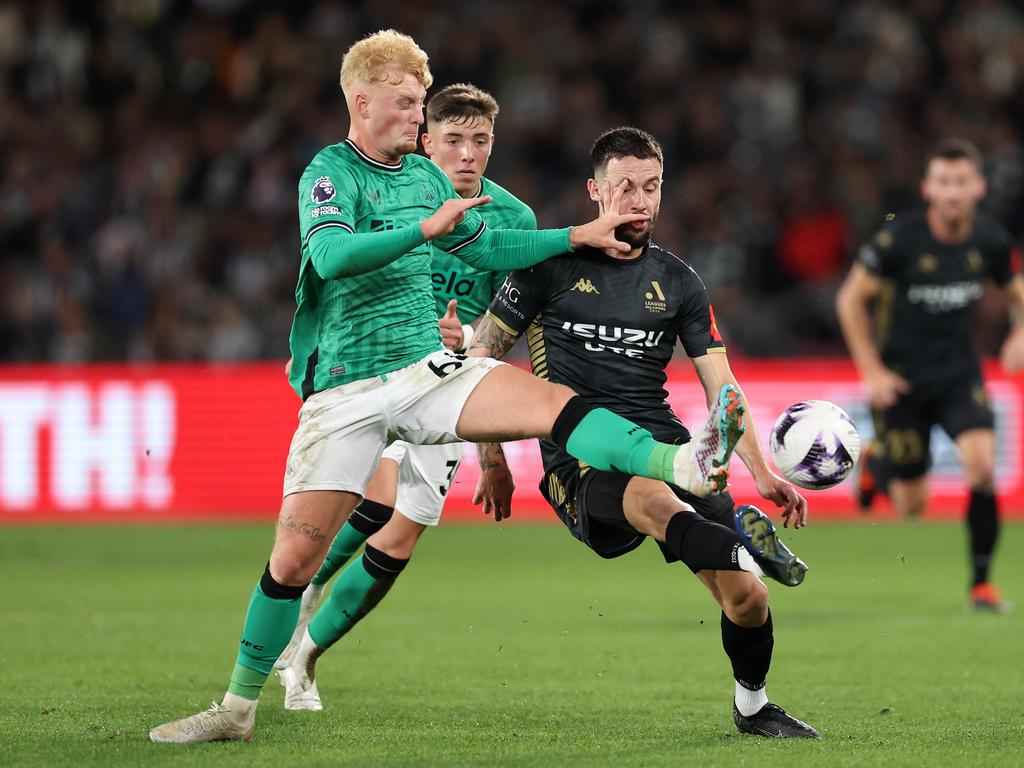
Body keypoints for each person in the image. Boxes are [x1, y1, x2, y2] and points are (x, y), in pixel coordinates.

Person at [148, 31, 743, 744]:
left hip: (422, 370)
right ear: (361, 101)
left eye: (420, 103)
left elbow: (487, 248)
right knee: (293, 561)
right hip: (345, 389)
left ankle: (685, 462)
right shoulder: (330, 175)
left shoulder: (426, 179)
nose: (415, 117)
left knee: (550, 406)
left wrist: (574, 237)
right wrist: (421, 230)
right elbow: (333, 256)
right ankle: (237, 709)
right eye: (406, 104)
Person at [473, 127, 818, 738]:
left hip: (664, 446)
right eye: (624, 186)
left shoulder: (680, 282)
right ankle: (743, 546)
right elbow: (481, 361)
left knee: (748, 601)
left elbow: (723, 390)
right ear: (596, 191)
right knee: (656, 500)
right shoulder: (546, 266)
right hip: (577, 455)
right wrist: (491, 460)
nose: (638, 199)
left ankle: (752, 704)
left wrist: (762, 473)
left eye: (650, 187)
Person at [272, 82, 530, 710]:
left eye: (481, 141)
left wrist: (492, 454)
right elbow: (337, 265)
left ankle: (305, 658)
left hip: (445, 381)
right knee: (377, 500)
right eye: (452, 140)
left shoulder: (511, 219)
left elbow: (496, 335)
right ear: (424, 140)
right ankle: (303, 590)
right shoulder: (385, 188)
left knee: (401, 538)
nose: (467, 154)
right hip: (369, 372)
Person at [836, 138, 1024, 612]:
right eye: (944, 182)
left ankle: (981, 584)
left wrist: (1019, 334)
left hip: (960, 374)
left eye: (961, 182)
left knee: (982, 469)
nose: (953, 192)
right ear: (928, 188)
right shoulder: (899, 239)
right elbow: (849, 299)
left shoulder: (990, 240)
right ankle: (877, 464)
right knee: (910, 507)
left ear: (978, 186)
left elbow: (1019, 292)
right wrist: (872, 371)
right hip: (901, 381)